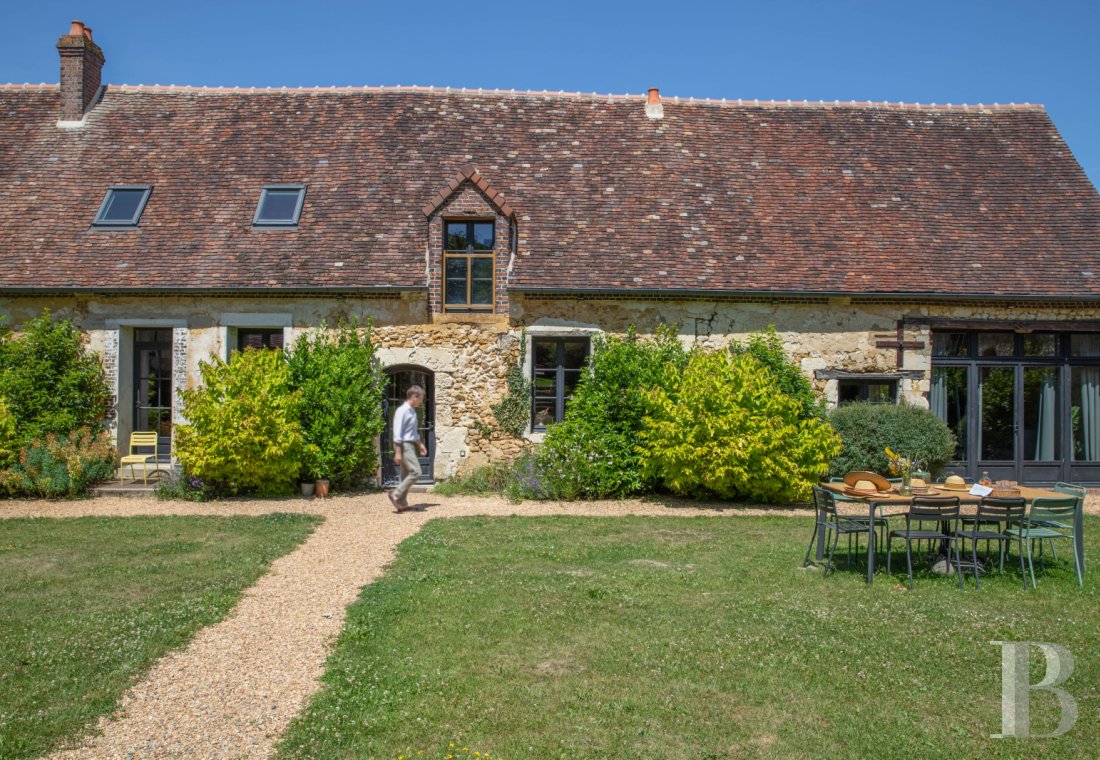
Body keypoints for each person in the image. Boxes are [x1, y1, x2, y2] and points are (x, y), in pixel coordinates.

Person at [389, 385, 427, 512]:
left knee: (405, 476)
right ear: (414, 397)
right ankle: (395, 494)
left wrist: (420, 444)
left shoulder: (412, 411)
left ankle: (402, 503)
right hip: (404, 445)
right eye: (420, 398)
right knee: (416, 472)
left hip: (410, 444)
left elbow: (413, 432)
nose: (421, 401)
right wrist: (398, 452)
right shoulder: (402, 410)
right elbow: (397, 432)